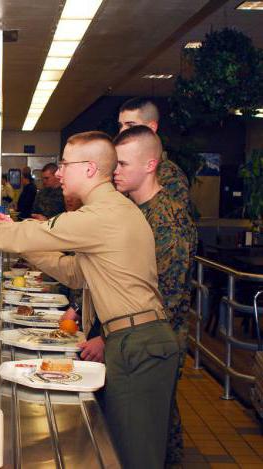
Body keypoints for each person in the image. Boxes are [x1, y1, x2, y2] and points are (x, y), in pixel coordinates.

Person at [0, 131, 179, 469]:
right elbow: (74, 272)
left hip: (137, 342)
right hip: (132, 340)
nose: (59, 173)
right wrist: (19, 238)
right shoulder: (111, 211)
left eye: (64, 165)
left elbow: (29, 236)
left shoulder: (101, 215)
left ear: (89, 169)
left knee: (135, 456)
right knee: (125, 447)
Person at [113, 126, 197, 466]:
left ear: (150, 165)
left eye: (122, 165)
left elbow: (168, 295)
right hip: (134, 338)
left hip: (156, 341)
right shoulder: (134, 212)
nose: (115, 172)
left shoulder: (169, 219)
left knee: (152, 431)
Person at [118, 97, 191, 211]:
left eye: (130, 125)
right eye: (121, 125)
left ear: (152, 127)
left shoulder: (170, 175)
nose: (122, 131)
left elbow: (171, 219)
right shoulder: (123, 170)